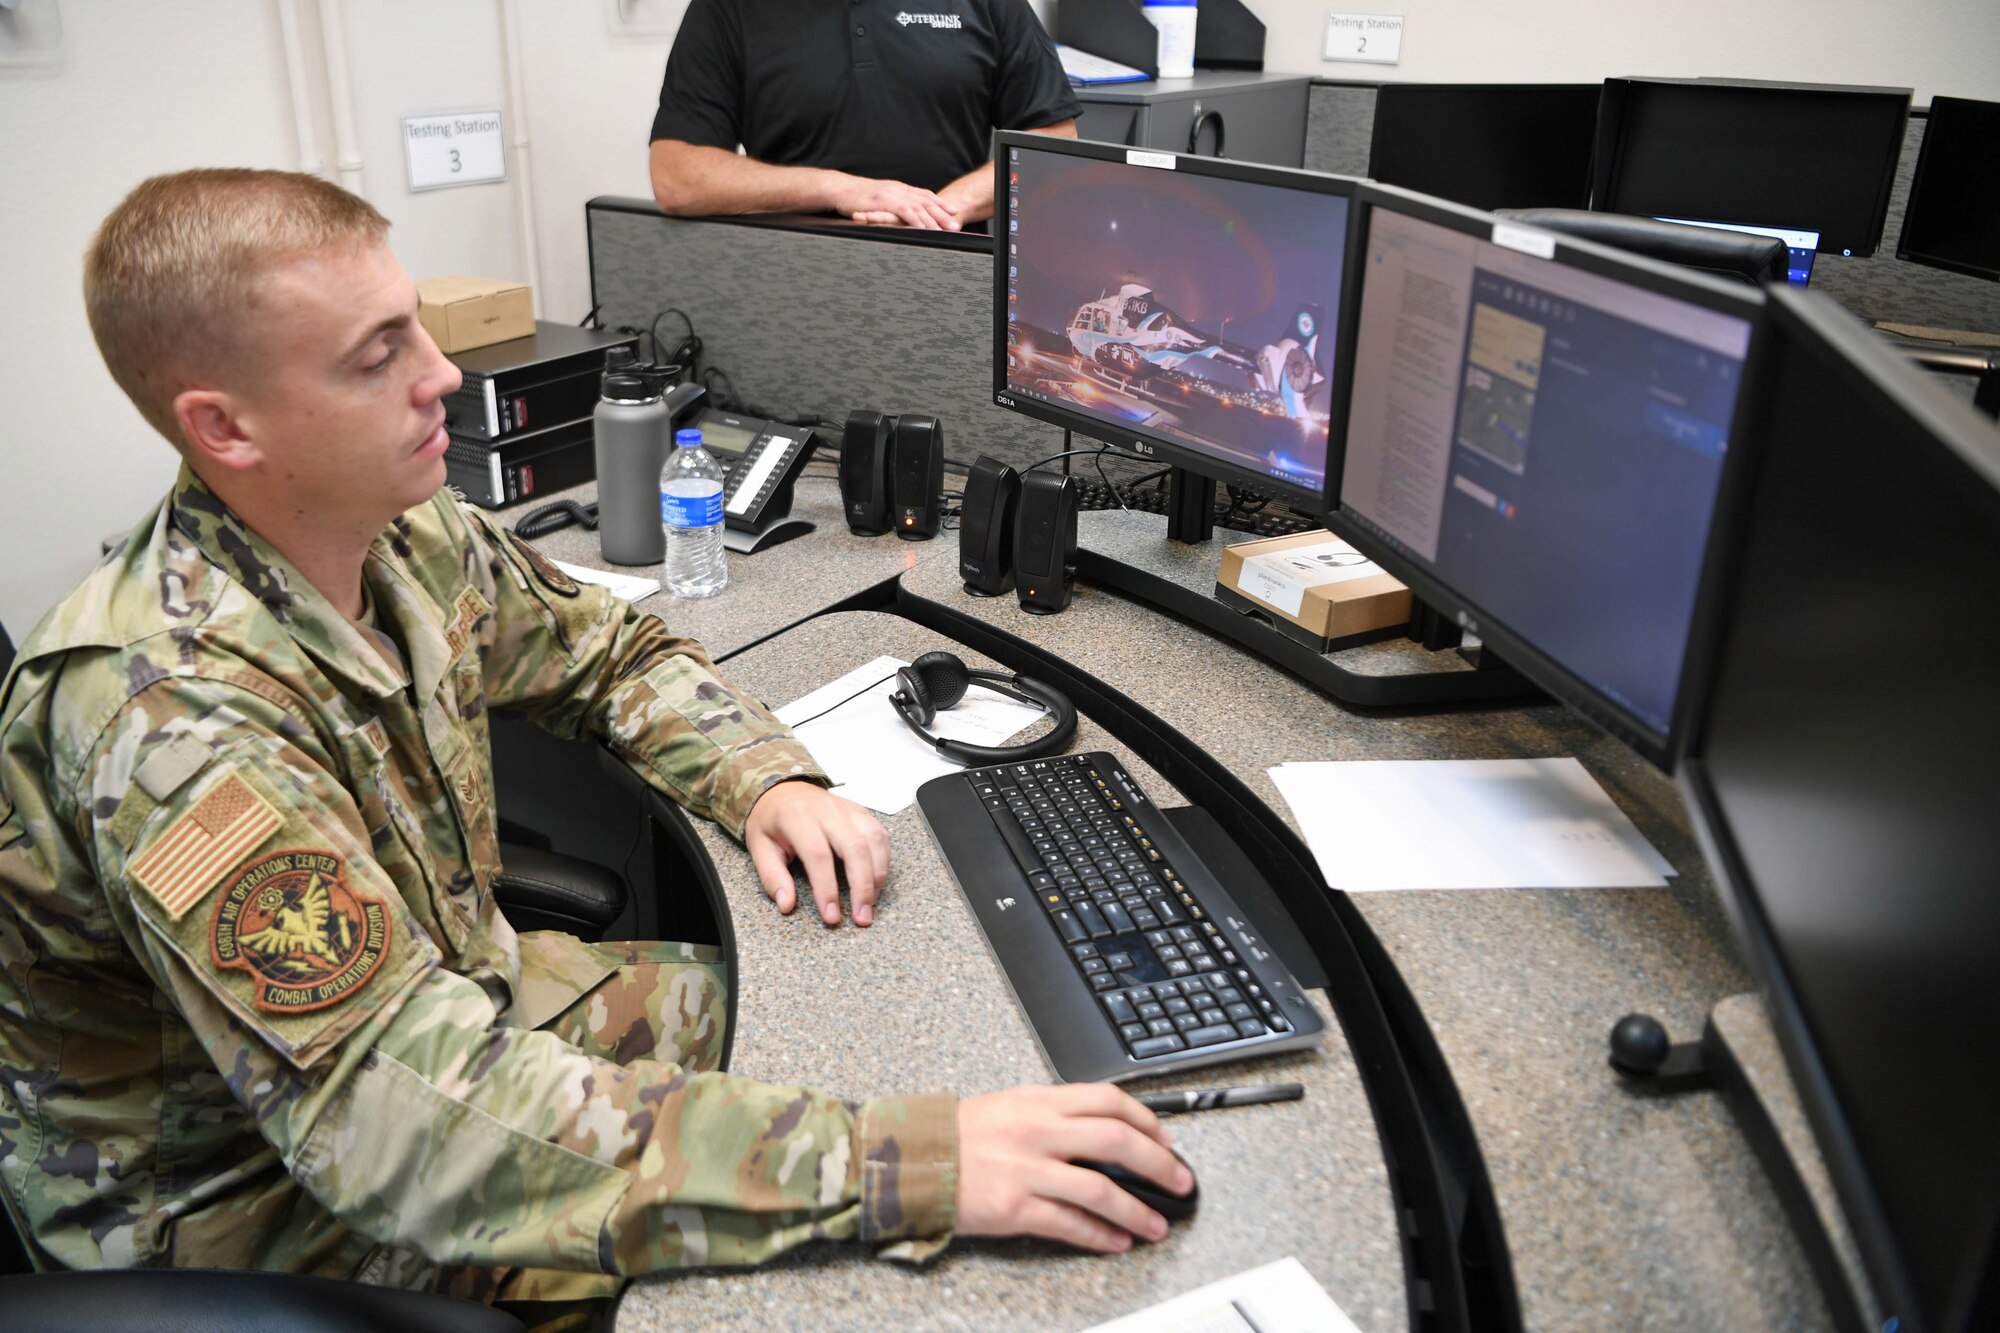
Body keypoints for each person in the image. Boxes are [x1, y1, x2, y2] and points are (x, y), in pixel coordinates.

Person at [0, 170, 1189, 1326]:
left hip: (457, 1014)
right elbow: (407, 1131)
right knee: (869, 1280)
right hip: (263, 1212)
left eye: (417, 328)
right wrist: (907, 1166)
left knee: (835, 1030)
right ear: (225, 426)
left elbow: (608, 653)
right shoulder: (170, 723)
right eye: (377, 357)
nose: (443, 379)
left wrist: (757, 771)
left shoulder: (402, 531)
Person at [648, 0, 1080, 230]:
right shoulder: (728, 7)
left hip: (952, 274)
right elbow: (677, 178)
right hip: (788, 279)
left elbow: (1054, 142)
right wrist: (840, 190)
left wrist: (937, 211)